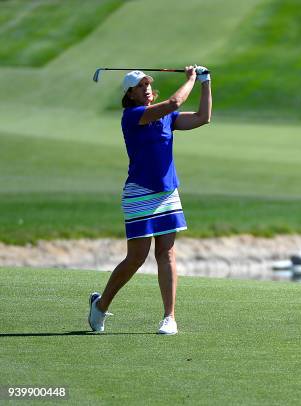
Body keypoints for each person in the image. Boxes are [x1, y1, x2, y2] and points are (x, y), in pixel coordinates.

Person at [88, 66, 212, 334]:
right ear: (130, 94)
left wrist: (205, 82)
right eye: (139, 86)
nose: (145, 89)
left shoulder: (167, 117)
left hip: (167, 192)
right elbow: (175, 101)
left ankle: (169, 317)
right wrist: (191, 78)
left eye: (147, 85)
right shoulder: (132, 116)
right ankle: (100, 306)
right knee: (136, 258)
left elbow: (203, 117)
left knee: (166, 253)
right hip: (140, 192)